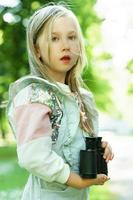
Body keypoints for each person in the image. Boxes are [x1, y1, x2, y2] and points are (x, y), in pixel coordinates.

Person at [6, 3, 114, 200]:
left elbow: (70, 146)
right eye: (54, 39)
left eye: (71, 37)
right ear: (37, 49)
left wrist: (98, 149)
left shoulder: (81, 98)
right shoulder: (34, 96)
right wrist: (77, 181)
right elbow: (34, 157)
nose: (66, 45)